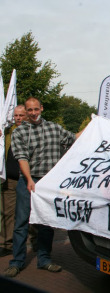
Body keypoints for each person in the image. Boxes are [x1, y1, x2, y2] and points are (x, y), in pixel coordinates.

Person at [4, 97, 83, 278]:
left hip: (49, 182)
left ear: (41, 108)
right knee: (22, 222)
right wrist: (29, 178)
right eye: (29, 110)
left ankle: (44, 259)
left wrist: (94, 124)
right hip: (28, 181)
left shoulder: (54, 128)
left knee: (46, 223)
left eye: (35, 110)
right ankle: (16, 261)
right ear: (27, 110)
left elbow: (73, 138)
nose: (32, 113)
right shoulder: (20, 132)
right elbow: (22, 158)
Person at [0, 105, 26, 257]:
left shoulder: (32, 131)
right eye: (16, 115)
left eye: (21, 115)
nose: (18, 118)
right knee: (7, 213)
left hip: (27, 179)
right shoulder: (7, 132)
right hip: (9, 179)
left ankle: (35, 241)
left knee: (29, 212)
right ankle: (5, 244)